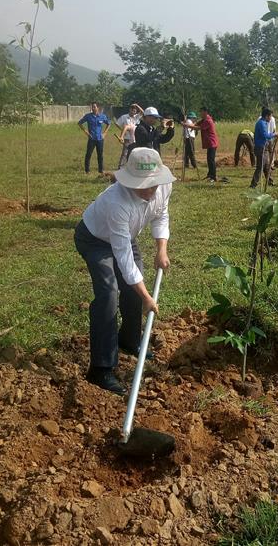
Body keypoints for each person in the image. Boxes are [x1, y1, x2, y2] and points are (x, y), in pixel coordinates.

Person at [73, 147, 174, 395]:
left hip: (125, 237)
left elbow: (161, 216)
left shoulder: (162, 188)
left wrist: (161, 250)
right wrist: (147, 298)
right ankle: (101, 368)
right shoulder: (116, 202)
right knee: (109, 294)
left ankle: (129, 340)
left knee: (131, 290)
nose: (150, 190)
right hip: (95, 239)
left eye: (153, 184)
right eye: (143, 185)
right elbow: (123, 258)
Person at [182, 106, 219, 181]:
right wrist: (191, 125)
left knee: (211, 160)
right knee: (209, 159)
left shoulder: (208, 121)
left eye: (201, 112)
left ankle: (213, 176)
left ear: (205, 112)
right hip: (209, 143)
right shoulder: (204, 119)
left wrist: (187, 125)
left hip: (212, 143)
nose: (200, 113)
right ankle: (210, 174)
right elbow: (197, 123)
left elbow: (199, 128)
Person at [78, 103, 110, 175]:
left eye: (94, 107)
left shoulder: (102, 116)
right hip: (92, 139)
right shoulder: (88, 116)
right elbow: (79, 123)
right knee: (88, 154)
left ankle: (101, 170)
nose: (93, 108)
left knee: (100, 155)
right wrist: (86, 132)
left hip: (100, 139)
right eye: (92, 107)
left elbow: (108, 123)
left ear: (98, 108)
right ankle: (87, 170)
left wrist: (104, 133)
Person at [251, 108, 277, 188]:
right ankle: (253, 185)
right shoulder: (261, 123)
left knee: (266, 166)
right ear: (266, 116)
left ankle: (270, 182)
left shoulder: (264, 123)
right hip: (260, 148)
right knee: (260, 167)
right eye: (270, 116)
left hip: (263, 147)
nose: (271, 118)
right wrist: (273, 134)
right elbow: (265, 135)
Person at [114, 103, 143, 168]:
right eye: (133, 110)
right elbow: (117, 124)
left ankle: (132, 166)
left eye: (135, 111)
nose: (134, 112)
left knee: (134, 152)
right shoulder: (124, 117)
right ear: (130, 110)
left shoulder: (136, 117)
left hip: (135, 138)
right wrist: (123, 130)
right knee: (125, 153)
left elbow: (142, 112)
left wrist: (137, 105)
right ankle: (120, 166)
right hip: (127, 138)